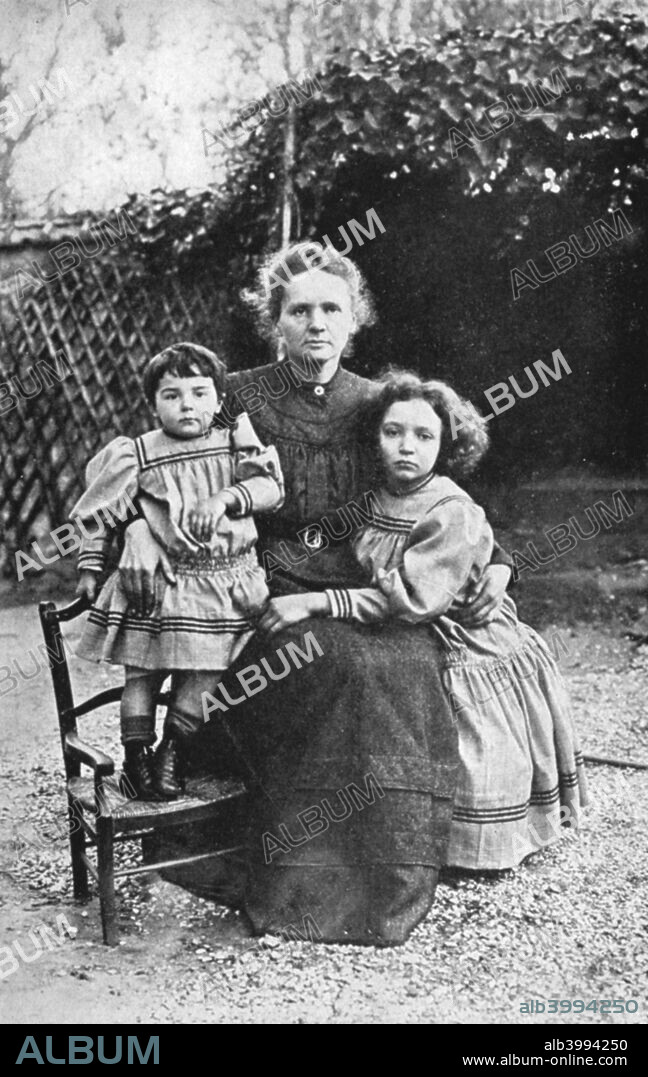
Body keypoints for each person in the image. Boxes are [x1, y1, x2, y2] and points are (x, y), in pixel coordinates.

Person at [117, 243, 513, 945]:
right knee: (331, 664)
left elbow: (433, 496)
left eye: (332, 308)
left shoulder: (377, 403)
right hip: (259, 591)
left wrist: (501, 563)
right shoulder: (232, 393)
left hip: (366, 589)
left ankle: (388, 866)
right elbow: (157, 461)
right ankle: (306, 880)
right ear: (277, 322)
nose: (317, 324)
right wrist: (137, 534)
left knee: (403, 661)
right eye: (299, 310)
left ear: (355, 318)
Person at [259, 370, 588, 870]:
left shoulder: (449, 509)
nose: (406, 447)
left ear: (447, 446)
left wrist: (316, 603)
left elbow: (414, 598)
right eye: (393, 433)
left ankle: (475, 845)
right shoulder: (374, 498)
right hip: (413, 619)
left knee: (468, 734)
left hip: (467, 632)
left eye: (423, 436)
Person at [70, 342, 284, 800]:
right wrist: (90, 566)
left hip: (224, 583)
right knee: (142, 676)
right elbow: (100, 512)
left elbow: (269, 488)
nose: (187, 404)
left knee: (206, 675)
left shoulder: (233, 441)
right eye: (171, 395)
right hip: (158, 583)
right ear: (152, 405)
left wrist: (227, 498)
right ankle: (136, 758)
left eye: (199, 393)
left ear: (219, 400)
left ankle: (173, 751)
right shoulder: (139, 452)